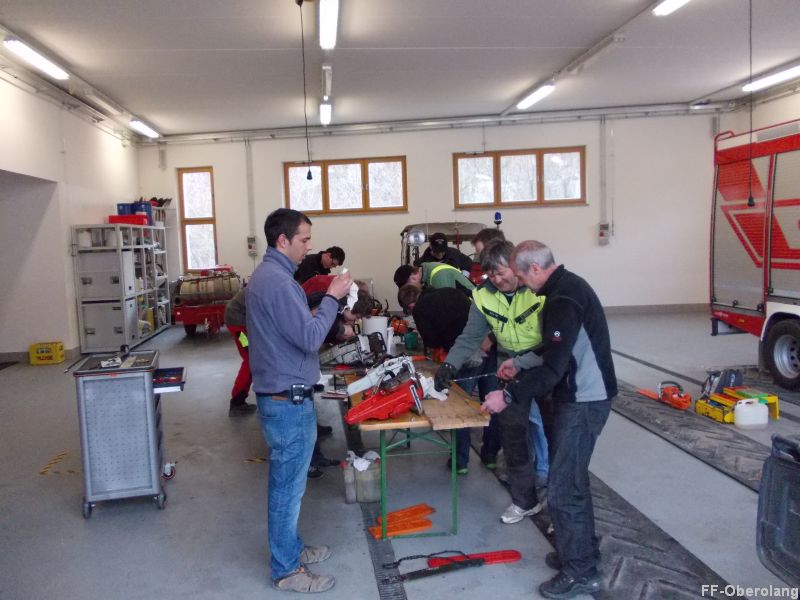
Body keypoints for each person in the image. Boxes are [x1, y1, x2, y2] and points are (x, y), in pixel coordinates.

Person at [483, 240, 617, 599]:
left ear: (535, 269)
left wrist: (506, 395)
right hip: (584, 395)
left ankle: (581, 572)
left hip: (584, 399)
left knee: (563, 489)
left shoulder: (563, 298)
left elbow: (554, 368)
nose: (521, 283)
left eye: (521, 276)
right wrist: (519, 362)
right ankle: (582, 551)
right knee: (572, 480)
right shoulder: (565, 288)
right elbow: (554, 347)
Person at [247, 208, 352, 594]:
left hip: (284, 396)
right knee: (287, 489)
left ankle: (291, 549)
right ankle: (286, 569)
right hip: (286, 402)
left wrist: (318, 310)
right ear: (283, 240)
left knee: (289, 485)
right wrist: (332, 298)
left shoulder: (272, 278)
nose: (309, 246)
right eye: (304, 239)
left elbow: (292, 327)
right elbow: (309, 338)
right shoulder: (277, 282)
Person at [434, 240, 547, 525]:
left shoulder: (538, 290)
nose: (496, 279)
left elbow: (554, 337)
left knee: (551, 431)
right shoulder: (482, 295)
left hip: (545, 365)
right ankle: (525, 501)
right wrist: (450, 365)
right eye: (490, 274)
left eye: (501, 272)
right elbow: (470, 336)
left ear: (515, 266)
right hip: (509, 368)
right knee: (513, 434)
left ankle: (555, 497)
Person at [400, 284, 497, 474]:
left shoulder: (420, 309)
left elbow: (432, 341)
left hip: (465, 354)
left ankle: (460, 462)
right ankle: (490, 455)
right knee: (492, 403)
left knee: (460, 408)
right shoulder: (449, 291)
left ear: (410, 305)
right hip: (488, 346)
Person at [224, 288, 257, 416]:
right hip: (237, 325)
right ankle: (237, 401)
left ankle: (238, 400)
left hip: (238, 320)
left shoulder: (265, 282)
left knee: (251, 359)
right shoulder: (269, 285)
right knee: (250, 360)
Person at [393, 261, 474, 302]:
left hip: (474, 310)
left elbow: (448, 306)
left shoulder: (438, 276)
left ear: (413, 277)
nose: (410, 291)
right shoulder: (427, 273)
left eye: (408, 287)